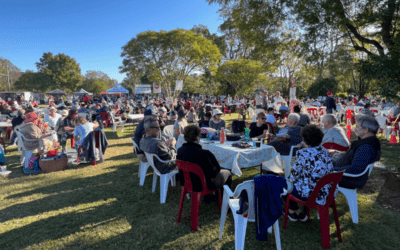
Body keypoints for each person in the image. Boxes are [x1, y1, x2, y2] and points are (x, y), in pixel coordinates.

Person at [286, 124, 335, 221]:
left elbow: (294, 176)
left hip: (310, 193)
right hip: (327, 192)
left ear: (303, 139)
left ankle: (292, 210)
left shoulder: (303, 153)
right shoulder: (325, 151)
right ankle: (296, 211)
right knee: (291, 183)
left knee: (285, 185)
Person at [177, 125, 232, 203]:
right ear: (198, 137)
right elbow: (215, 172)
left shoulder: (180, 151)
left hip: (187, 183)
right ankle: (224, 202)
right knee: (227, 172)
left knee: (205, 173)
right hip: (204, 185)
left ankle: (208, 198)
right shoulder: (204, 154)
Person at [333, 115, 381, 189]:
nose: (355, 129)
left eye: (357, 127)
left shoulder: (366, 147)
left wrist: (329, 170)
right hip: (341, 172)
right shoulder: (366, 143)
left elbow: (354, 169)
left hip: (348, 178)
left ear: (366, 130)